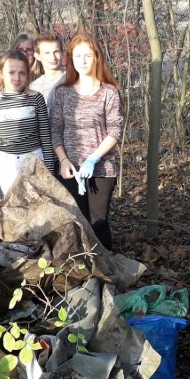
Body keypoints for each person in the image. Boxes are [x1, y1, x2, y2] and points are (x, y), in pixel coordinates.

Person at [51, 32, 123, 251]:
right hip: (70, 170)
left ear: (96, 58)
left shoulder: (109, 92)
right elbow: (55, 130)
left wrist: (93, 158)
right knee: (74, 224)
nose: (82, 61)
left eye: (87, 56)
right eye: (77, 56)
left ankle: (106, 274)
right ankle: (81, 273)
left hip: (100, 170)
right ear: (71, 59)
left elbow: (115, 130)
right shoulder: (62, 93)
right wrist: (63, 161)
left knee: (97, 223)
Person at [0, 50, 56, 204]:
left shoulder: (36, 98)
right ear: (1, 73)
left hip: (35, 163)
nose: (17, 78)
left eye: (22, 73)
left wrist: (50, 176)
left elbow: (46, 139)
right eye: (11, 72)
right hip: (6, 166)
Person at [29, 31, 66, 112]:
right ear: (37, 56)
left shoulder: (72, 79)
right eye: (47, 53)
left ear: (62, 52)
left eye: (56, 52)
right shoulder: (34, 87)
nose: (53, 58)